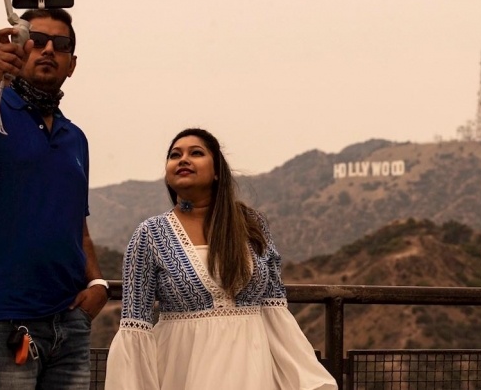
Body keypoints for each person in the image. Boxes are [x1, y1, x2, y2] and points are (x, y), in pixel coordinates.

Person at [0, 8, 108, 390]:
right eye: (36, 41)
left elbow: (77, 223)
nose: (47, 50)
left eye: (60, 45)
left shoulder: (74, 138)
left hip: (68, 324)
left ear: (71, 64)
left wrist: (97, 284)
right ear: (18, 48)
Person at [106, 128, 337, 390]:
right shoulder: (150, 234)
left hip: (251, 368)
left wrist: (306, 378)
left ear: (217, 171)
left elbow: (275, 312)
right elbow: (135, 325)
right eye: (174, 155)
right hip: (181, 370)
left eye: (196, 153)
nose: (183, 159)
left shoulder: (251, 225)